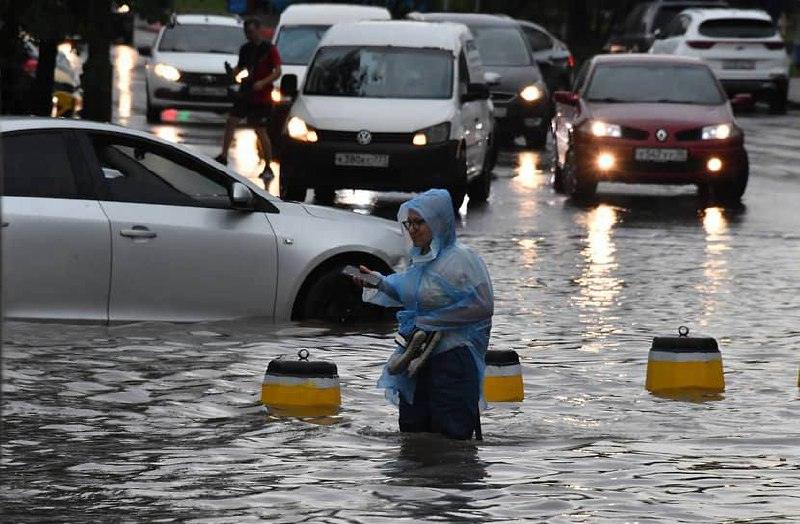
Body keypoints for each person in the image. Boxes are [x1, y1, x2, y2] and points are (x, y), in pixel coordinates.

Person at [352, 189, 494, 440]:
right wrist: (378, 282)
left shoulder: (462, 259)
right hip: (415, 357)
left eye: (420, 222)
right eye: (409, 223)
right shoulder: (420, 261)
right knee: (413, 432)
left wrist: (430, 321)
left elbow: (482, 306)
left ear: (439, 223)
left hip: (453, 360)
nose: (413, 229)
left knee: (451, 435)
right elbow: (409, 292)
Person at [215, 18, 281, 182]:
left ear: (259, 30)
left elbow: (278, 71)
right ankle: (223, 156)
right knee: (231, 121)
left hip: (262, 96)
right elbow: (241, 68)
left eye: (251, 32)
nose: (248, 35)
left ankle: (268, 166)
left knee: (260, 129)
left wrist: (263, 82)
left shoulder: (269, 49)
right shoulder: (245, 49)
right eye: (246, 33)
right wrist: (232, 73)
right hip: (246, 92)